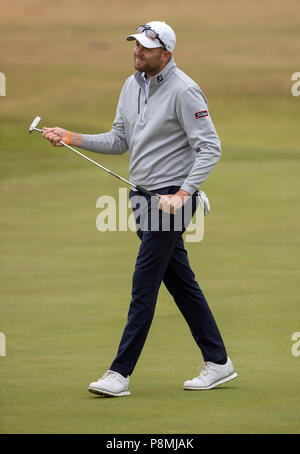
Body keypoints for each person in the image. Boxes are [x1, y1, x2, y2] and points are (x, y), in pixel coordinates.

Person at [42, 21, 237, 397]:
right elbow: (119, 140)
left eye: (146, 47)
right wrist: (70, 137)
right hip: (142, 199)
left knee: (143, 285)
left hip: (170, 202)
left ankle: (120, 373)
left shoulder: (184, 91)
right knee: (181, 283)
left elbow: (210, 147)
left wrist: (185, 193)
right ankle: (218, 361)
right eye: (136, 44)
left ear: (166, 54)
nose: (137, 51)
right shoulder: (132, 85)